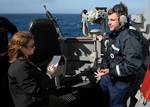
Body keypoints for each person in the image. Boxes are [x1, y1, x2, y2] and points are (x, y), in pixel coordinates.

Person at [95, 2, 146, 107]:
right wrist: (102, 40)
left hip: (121, 82)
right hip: (109, 76)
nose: (109, 23)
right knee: (100, 95)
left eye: (112, 20)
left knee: (116, 104)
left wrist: (110, 71)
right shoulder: (117, 32)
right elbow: (113, 45)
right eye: (109, 20)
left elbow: (132, 65)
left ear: (122, 20)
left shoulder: (130, 37)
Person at [8, 32, 68, 107]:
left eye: (34, 45)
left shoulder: (23, 60)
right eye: (31, 46)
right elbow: (36, 90)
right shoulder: (21, 67)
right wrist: (49, 73)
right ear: (22, 48)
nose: (34, 47)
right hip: (33, 103)